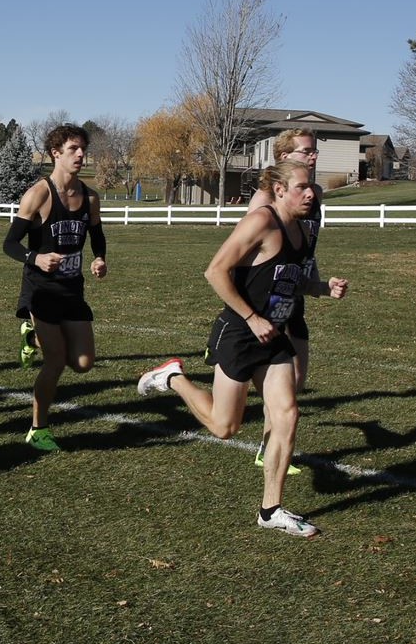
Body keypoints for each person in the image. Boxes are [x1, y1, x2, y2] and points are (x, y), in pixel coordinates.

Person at [137, 160, 349, 538]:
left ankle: (271, 510)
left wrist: (320, 288)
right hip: (239, 332)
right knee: (224, 427)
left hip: (274, 336)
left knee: (287, 414)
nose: (310, 193)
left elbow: (288, 280)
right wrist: (252, 317)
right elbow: (215, 271)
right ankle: (173, 378)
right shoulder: (261, 222)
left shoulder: (300, 230)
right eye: (301, 187)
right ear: (280, 190)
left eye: (312, 186)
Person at [1, 124, 107, 452]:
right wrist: (36, 258)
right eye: (73, 149)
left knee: (84, 363)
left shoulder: (89, 197)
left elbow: (97, 235)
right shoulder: (39, 194)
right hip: (41, 290)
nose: (80, 155)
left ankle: (30, 336)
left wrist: (99, 258)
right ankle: (38, 428)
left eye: (83, 149)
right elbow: (9, 243)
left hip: (72, 290)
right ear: (55, 153)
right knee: (56, 360)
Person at [245, 128, 324, 475]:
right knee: (279, 384)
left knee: (298, 380)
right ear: (283, 157)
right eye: (305, 151)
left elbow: (306, 248)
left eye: (314, 151)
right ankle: (270, 447)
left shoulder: (315, 195)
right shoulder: (264, 200)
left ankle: (269, 445)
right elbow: (243, 252)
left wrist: (317, 282)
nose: (313, 156)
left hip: (296, 294)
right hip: (266, 300)